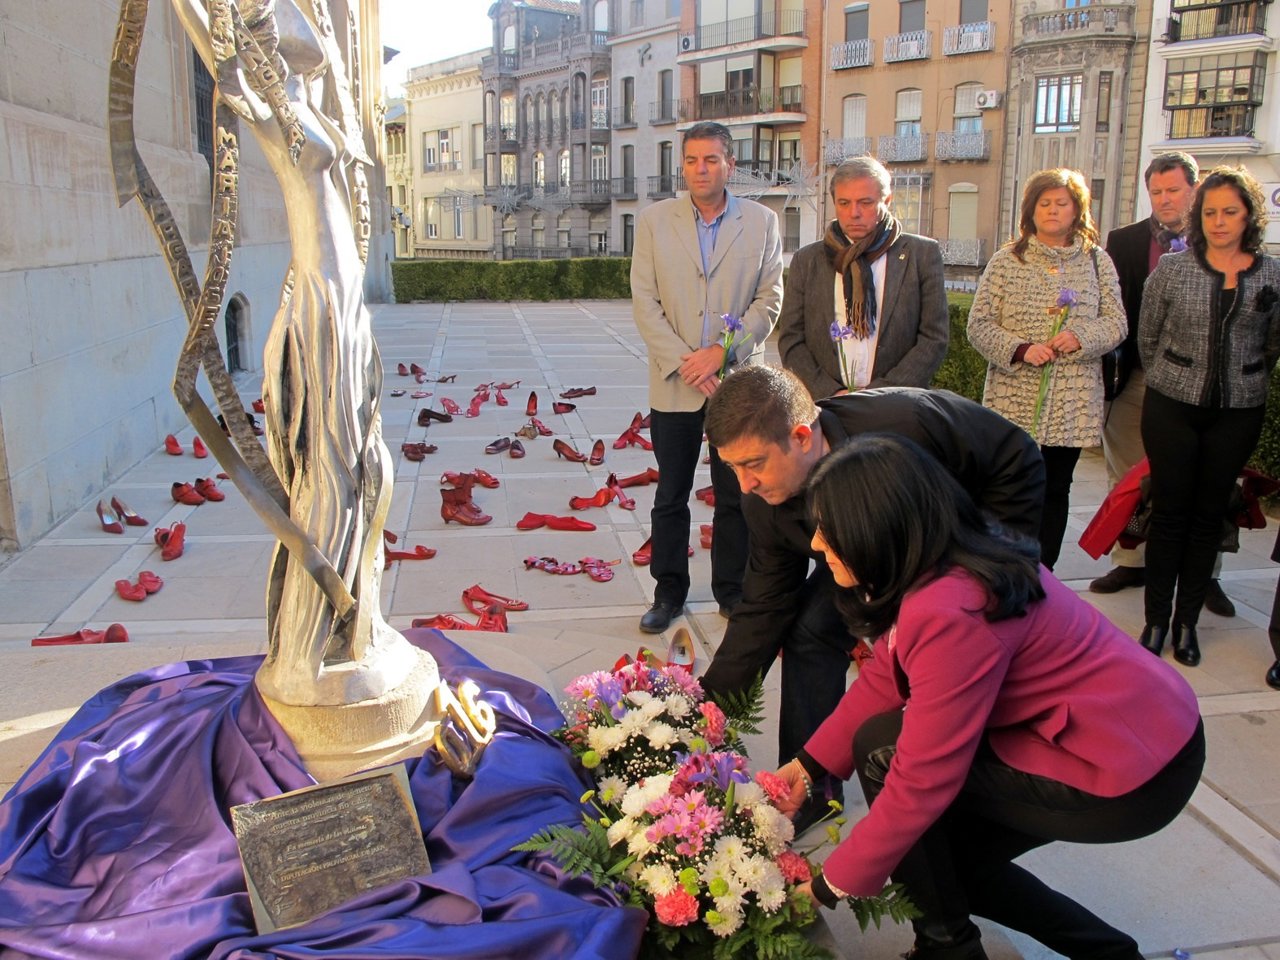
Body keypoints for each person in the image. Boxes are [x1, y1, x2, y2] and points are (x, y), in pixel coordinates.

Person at [776, 435, 1204, 960]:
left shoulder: (950, 608)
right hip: (1146, 729)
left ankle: (951, 949)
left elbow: (922, 781)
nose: (817, 543)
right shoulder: (947, 558)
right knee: (947, 864)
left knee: (886, 755)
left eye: (829, 528)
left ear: (879, 527)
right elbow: (890, 674)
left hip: (1130, 765)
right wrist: (806, 765)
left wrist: (826, 886)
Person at [700, 366, 1044, 825]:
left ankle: (960, 786)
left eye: (754, 464)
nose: (744, 485)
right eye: (731, 468)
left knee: (948, 648)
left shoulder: (899, 432)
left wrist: (987, 564)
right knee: (810, 629)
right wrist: (701, 716)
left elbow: (1014, 458)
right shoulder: (763, 497)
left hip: (973, 515)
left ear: (802, 436)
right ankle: (810, 787)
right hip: (878, 545)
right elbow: (765, 606)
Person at [630, 121, 784, 632]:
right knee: (670, 494)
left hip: (736, 384)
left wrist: (722, 352)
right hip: (674, 382)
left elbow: (769, 300)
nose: (701, 169)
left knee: (736, 494)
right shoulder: (653, 221)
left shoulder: (762, 222)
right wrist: (686, 360)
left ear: (730, 165)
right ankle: (668, 593)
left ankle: (732, 592)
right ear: (683, 166)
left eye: (712, 160)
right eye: (692, 160)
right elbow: (645, 303)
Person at [1136, 166, 1280, 666]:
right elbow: (1147, 338)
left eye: (1230, 212)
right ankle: (1156, 620)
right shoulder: (1173, 270)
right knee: (1170, 514)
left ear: (1248, 216)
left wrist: (1244, 378)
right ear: (1200, 216)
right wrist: (1172, 379)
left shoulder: (1272, 274)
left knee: (1207, 518)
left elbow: (1272, 344)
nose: (1219, 222)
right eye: (1211, 212)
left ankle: (1187, 623)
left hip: (1238, 411)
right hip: (1172, 408)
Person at [1090, 153, 1235, 618]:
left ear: (1195, 190)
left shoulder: (1221, 239)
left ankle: (1205, 574)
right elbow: (1112, 310)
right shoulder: (1125, 241)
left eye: (1174, 190)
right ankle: (1132, 561)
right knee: (1128, 474)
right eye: (1156, 192)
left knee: (1206, 483)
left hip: (1204, 386)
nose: (1165, 199)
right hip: (1136, 376)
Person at [967, 168, 1126, 569]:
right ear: (1031, 211)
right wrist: (1020, 349)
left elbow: (1117, 322)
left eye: (1062, 203)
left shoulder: (1096, 261)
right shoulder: (1007, 261)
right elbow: (979, 325)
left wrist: (1081, 337)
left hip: (1071, 400)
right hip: (1013, 397)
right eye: (1045, 203)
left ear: (1077, 210)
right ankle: (1003, 566)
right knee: (1008, 486)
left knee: (1056, 488)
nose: (1053, 211)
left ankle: (1044, 572)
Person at [777, 156, 948, 398]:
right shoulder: (807, 260)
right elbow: (791, 340)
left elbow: (934, 338)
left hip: (896, 405)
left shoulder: (921, 255)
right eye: (844, 203)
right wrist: (831, 393)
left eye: (865, 203)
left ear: (886, 200)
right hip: (826, 405)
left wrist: (879, 396)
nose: (854, 213)